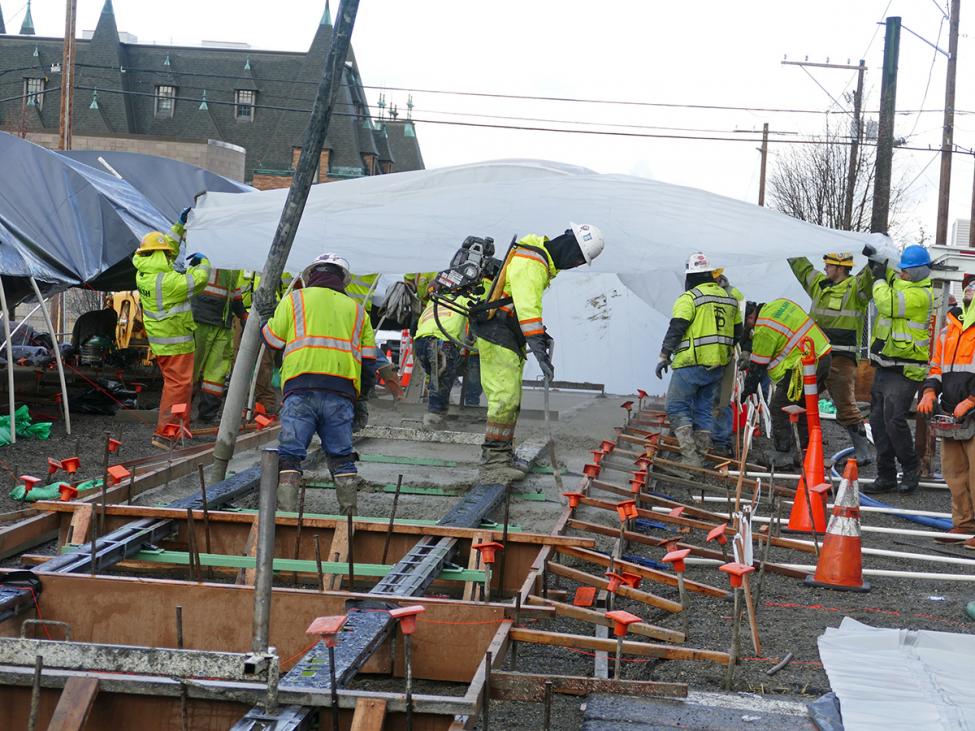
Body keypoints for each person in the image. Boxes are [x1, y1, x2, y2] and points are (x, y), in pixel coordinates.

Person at [473, 223, 605, 481]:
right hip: (497, 329)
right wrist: (539, 348)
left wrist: (538, 339)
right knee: (504, 398)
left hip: (506, 330)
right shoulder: (533, 262)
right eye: (578, 259)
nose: (576, 265)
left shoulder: (537, 257)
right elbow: (527, 307)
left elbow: (523, 308)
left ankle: (503, 455)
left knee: (511, 398)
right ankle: (493, 464)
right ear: (572, 250)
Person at [261, 253, 374, 514]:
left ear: (311, 275)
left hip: (300, 389)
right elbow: (368, 361)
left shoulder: (294, 301)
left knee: (290, 454)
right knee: (341, 455)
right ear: (343, 280)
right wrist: (361, 398)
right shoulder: (357, 310)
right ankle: (349, 514)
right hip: (341, 393)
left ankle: (287, 515)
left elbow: (272, 341)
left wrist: (267, 315)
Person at [788, 252, 874, 464]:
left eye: (829, 265)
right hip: (815, 357)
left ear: (840, 268)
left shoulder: (856, 289)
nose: (825, 268)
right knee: (800, 401)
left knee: (845, 405)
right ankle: (805, 449)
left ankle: (863, 454)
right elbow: (802, 268)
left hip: (841, 359)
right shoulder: (819, 284)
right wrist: (791, 247)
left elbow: (869, 277)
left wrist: (876, 256)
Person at [655, 253, 741, 466]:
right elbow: (738, 331)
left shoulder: (690, 298)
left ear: (691, 276)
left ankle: (690, 457)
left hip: (690, 364)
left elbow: (677, 327)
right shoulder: (729, 298)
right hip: (717, 366)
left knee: (676, 406)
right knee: (704, 408)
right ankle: (701, 453)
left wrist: (664, 355)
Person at [862, 244, 934, 494]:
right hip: (886, 364)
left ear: (916, 272)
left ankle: (910, 469)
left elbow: (887, 304)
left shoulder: (920, 295)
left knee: (893, 420)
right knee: (877, 422)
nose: (901, 273)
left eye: (906, 270)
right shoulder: (905, 283)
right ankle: (886, 476)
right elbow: (892, 271)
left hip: (906, 368)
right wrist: (876, 256)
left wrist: (880, 277)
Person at [132, 231, 210, 448]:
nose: (170, 257)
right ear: (161, 256)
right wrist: (204, 262)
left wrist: (179, 226)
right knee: (177, 387)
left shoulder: (144, 273)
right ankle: (166, 434)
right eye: (166, 255)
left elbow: (166, 253)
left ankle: (178, 429)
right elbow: (199, 279)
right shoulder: (169, 282)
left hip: (164, 342)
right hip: (176, 343)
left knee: (179, 386)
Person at [918, 278, 975, 548]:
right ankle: (963, 525)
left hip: (970, 410)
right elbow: (936, 366)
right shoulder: (949, 329)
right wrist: (929, 390)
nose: (969, 293)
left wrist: (972, 399)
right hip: (953, 411)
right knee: (955, 473)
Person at [741, 298, 832, 466]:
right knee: (805, 405)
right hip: (822, 355)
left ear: (750, 318)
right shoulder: (779, 304)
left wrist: (747, 391)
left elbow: (757, 367)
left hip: (803, 365)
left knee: (779, 407)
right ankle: (804, 450)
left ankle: (783, 454)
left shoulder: (764, 330)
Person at [191, 266, 245, 423]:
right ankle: (180, 412)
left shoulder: (234, 264)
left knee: (217, 373)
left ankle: (207, 413)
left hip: (222, 322)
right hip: (201, 319)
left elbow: (233, 292)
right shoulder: (205, 254)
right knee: (191, 368)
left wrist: (242, 314)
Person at [413, 289, 474, 428]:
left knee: (435, 378)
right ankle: (434, 418)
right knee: (441, 381)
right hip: (442, 342)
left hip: (420, 341)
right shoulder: (465, 299)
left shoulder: (435, 300)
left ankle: (435, 413)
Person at [710, 268, 744, 457]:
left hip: (724, 355)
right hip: (704, 354)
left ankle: (720, 441)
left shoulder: (732, 295)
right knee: (704, 397)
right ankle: (704, 435)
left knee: (721, 399)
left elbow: (739, 327)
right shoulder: (701, 292)